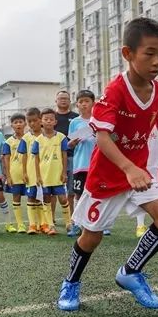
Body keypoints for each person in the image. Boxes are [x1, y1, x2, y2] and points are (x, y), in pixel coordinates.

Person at [57, 17, 158, 312]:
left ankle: (130, 272)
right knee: (91, 236)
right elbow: (102, 137)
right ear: (128, 53)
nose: (157, 61)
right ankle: (71, 282)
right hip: (110, 175)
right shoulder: (114, 91)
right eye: (149, 53)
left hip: (140, 172)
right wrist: (128, 168)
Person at [33, 108, 71, 236]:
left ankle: (68, 223)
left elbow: (64, 155)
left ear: (55, 121)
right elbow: (36, 159)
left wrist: (64, 172)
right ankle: (50, 225)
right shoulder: (37, 140)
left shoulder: (61, 137)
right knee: (46, 199)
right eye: (46, 119)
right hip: (44, 177)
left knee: (63, 199)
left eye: (51, 119)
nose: (48, 121)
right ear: (41, 122)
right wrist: (37, 176)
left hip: (57, 175)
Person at [67, 90, 96, 238]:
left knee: (98, 195)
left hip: (98, 164)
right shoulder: (74, 122)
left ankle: (98, 225)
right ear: (77, 104)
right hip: (81, 164)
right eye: (81, 102)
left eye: (87, 101)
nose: (84, 104)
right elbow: (69, 144)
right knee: (79, 194)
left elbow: (113, 138)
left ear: (93, 103)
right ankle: (77, 225)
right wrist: (73, 142)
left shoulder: (99, 120)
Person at [53, 91, 78, 222]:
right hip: (54, 159)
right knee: (52, 189)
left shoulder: (76, 117)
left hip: (73, 157)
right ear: (55, 101)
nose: (63, 100)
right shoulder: (51, 117)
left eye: (66, 98)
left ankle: (72, 217)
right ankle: (50, 218)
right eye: (61, 98)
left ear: (70, 101)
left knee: (71, 190)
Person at [2, 113, 29, 234]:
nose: (18, 124)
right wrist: (8, 176)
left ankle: (35, 224)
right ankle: (20, 224)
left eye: (20, 122)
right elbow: (6, 160)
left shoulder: (30, 138)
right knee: (16, 197)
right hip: (15, 174)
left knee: (33, 198)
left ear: (25, 123)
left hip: (30, 174)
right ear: (11, 125)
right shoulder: (8, 142)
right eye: (15, 122)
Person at [20, 107, 44, 234]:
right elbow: (24, 156)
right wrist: (24, 172)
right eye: (29, 121)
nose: (32, 124)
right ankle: (32, 225)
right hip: (31, 172)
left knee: (42, 197)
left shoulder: (47, 135)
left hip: (45, 172)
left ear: (40, 120)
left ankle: (43, 224)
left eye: (35, 120)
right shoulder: (26, 138)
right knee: (31, 197)